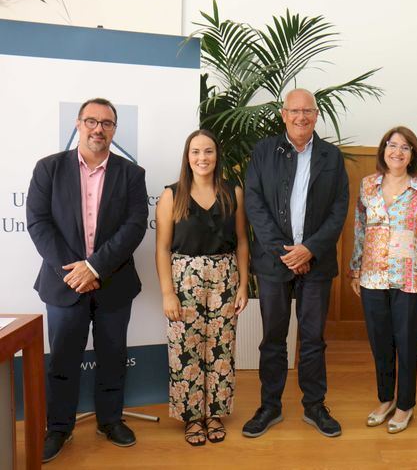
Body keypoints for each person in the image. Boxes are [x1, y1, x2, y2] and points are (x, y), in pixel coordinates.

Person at [26, 98, 148, 463]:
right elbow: (38, 223)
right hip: (64, 283)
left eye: (107, 123)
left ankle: (110, 420)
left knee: (113, 356)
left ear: (114, 130)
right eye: (92, 121)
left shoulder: (131, 174)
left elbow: (134, 226)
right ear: (78, 125)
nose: (99, 129)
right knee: (62, 359)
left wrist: (94, 268)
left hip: (114, 282)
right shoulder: (48, 168)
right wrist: (75, 271)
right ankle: (59, 427)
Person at [242, 88, 349, 438]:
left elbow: (339, 209)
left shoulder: (332, 157)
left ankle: (314, 405)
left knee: (313, 338)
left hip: (317, 262)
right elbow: (254, 204)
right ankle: (269, 405)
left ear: (316, 116)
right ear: (283, 115)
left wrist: (310, 250)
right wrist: (286, 252)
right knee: (273, 337)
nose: (301, 117)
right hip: (274, 262)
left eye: (307, 111)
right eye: (295, 111)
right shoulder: (264, 151)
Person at [155, 129, 249, 446]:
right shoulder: (172, 196)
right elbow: (162, 248)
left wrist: (243, 285)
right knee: (186, 348)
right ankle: (192, 417)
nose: (202, 158)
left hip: (225, 277)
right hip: (184, 279)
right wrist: (167, 293)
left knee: (221, 347)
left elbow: (242, 241)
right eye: (195, 152)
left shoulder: (233, 193)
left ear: (217, 156)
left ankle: (215, 413)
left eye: (208, 151)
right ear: (187, 157)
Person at [349, 126, 417, 434]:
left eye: (405, 147)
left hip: (411, 277)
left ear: (412, 154)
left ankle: (405, 405)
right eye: (392, 145)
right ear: (383, 149)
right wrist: (355, 269)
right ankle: (385, 399)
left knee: (406, 343)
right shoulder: (368, 185)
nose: (397, 152)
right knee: (381, 344)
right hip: (373, 276)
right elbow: (360, 230)